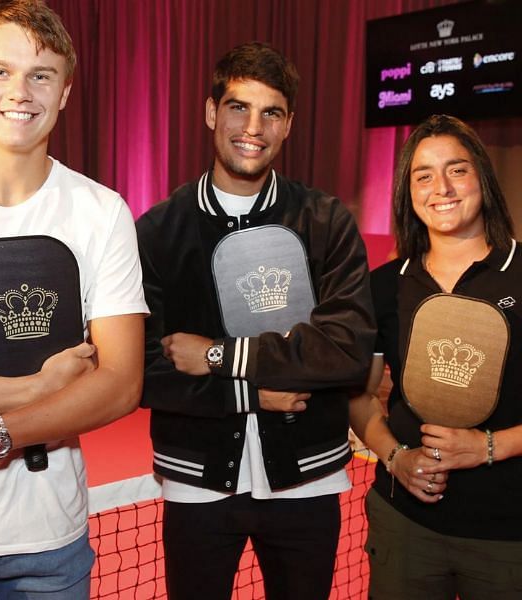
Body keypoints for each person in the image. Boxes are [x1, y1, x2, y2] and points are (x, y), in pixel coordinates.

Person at [135, 42, 375, 600]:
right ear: (211, 112)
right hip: (196, 485)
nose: (253, 127)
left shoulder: (326, 220)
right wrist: (250, 394)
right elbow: (146, 371)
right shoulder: (155, 232)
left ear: (289, 125)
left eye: (271, 113)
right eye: (239, 107)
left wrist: (219, 356)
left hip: (309, 479)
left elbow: (346, 351)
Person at [0, 1, 148, 597]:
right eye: (0, 70)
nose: (20, 91)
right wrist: (40, 388)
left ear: (65, 91)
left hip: (50, 537)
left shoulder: (103, 212)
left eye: (40, 74)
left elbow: (121, 381)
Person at [348, 114, 522, 598]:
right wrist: (395, 457)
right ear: (408, 192)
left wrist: (489, 447)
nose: (440, 187)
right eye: (423, 175)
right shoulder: (384, 285)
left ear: (482, 177)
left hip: (509, 534)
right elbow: (360, 396)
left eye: (456, 169)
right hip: (404, 525)